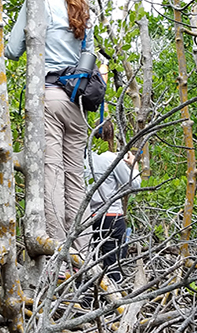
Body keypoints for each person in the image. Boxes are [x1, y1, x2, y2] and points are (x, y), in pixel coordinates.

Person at [4, 0, 92, 251]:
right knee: (75, 176)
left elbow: (13, 50)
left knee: (52, 173)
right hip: (76, 100)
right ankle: (82, 249)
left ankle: (57, 253)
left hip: (48, 94)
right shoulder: (80, 6)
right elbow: (89, 55)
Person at [84, 120, 141, 284]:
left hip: (89, 219)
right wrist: (133, 166)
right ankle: (114, 305)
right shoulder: (112, 158)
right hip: (112, 218)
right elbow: (134, 184)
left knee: (90, 265)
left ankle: (87, 302)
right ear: (111, 137)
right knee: (114, 269)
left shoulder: (83, 159)